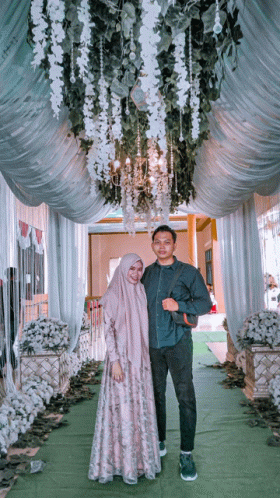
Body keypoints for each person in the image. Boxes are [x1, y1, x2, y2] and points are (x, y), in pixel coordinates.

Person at [142, 225, 212, 482]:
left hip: (179, 342)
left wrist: (178, 305)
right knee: (155, 396)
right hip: (152, 345)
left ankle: (186, 453)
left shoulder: (188, 272)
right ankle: (159, 442)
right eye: (157, 242)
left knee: (186, 398)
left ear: (174, 245)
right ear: (152, 245)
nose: (162, 246)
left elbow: (204, 303)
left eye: (167, 242)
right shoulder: (146, 274)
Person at [88, 253, 161, 485]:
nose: (136, 273)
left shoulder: (141, 291)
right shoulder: (112, 295)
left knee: (139, 408)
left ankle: (140, 461)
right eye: (132, 269)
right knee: (120, 410)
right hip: (120, 362)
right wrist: (116, 362)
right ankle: (119, 463)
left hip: (140, 361)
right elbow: (107, 331)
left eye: (139, 269)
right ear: (122, 269)